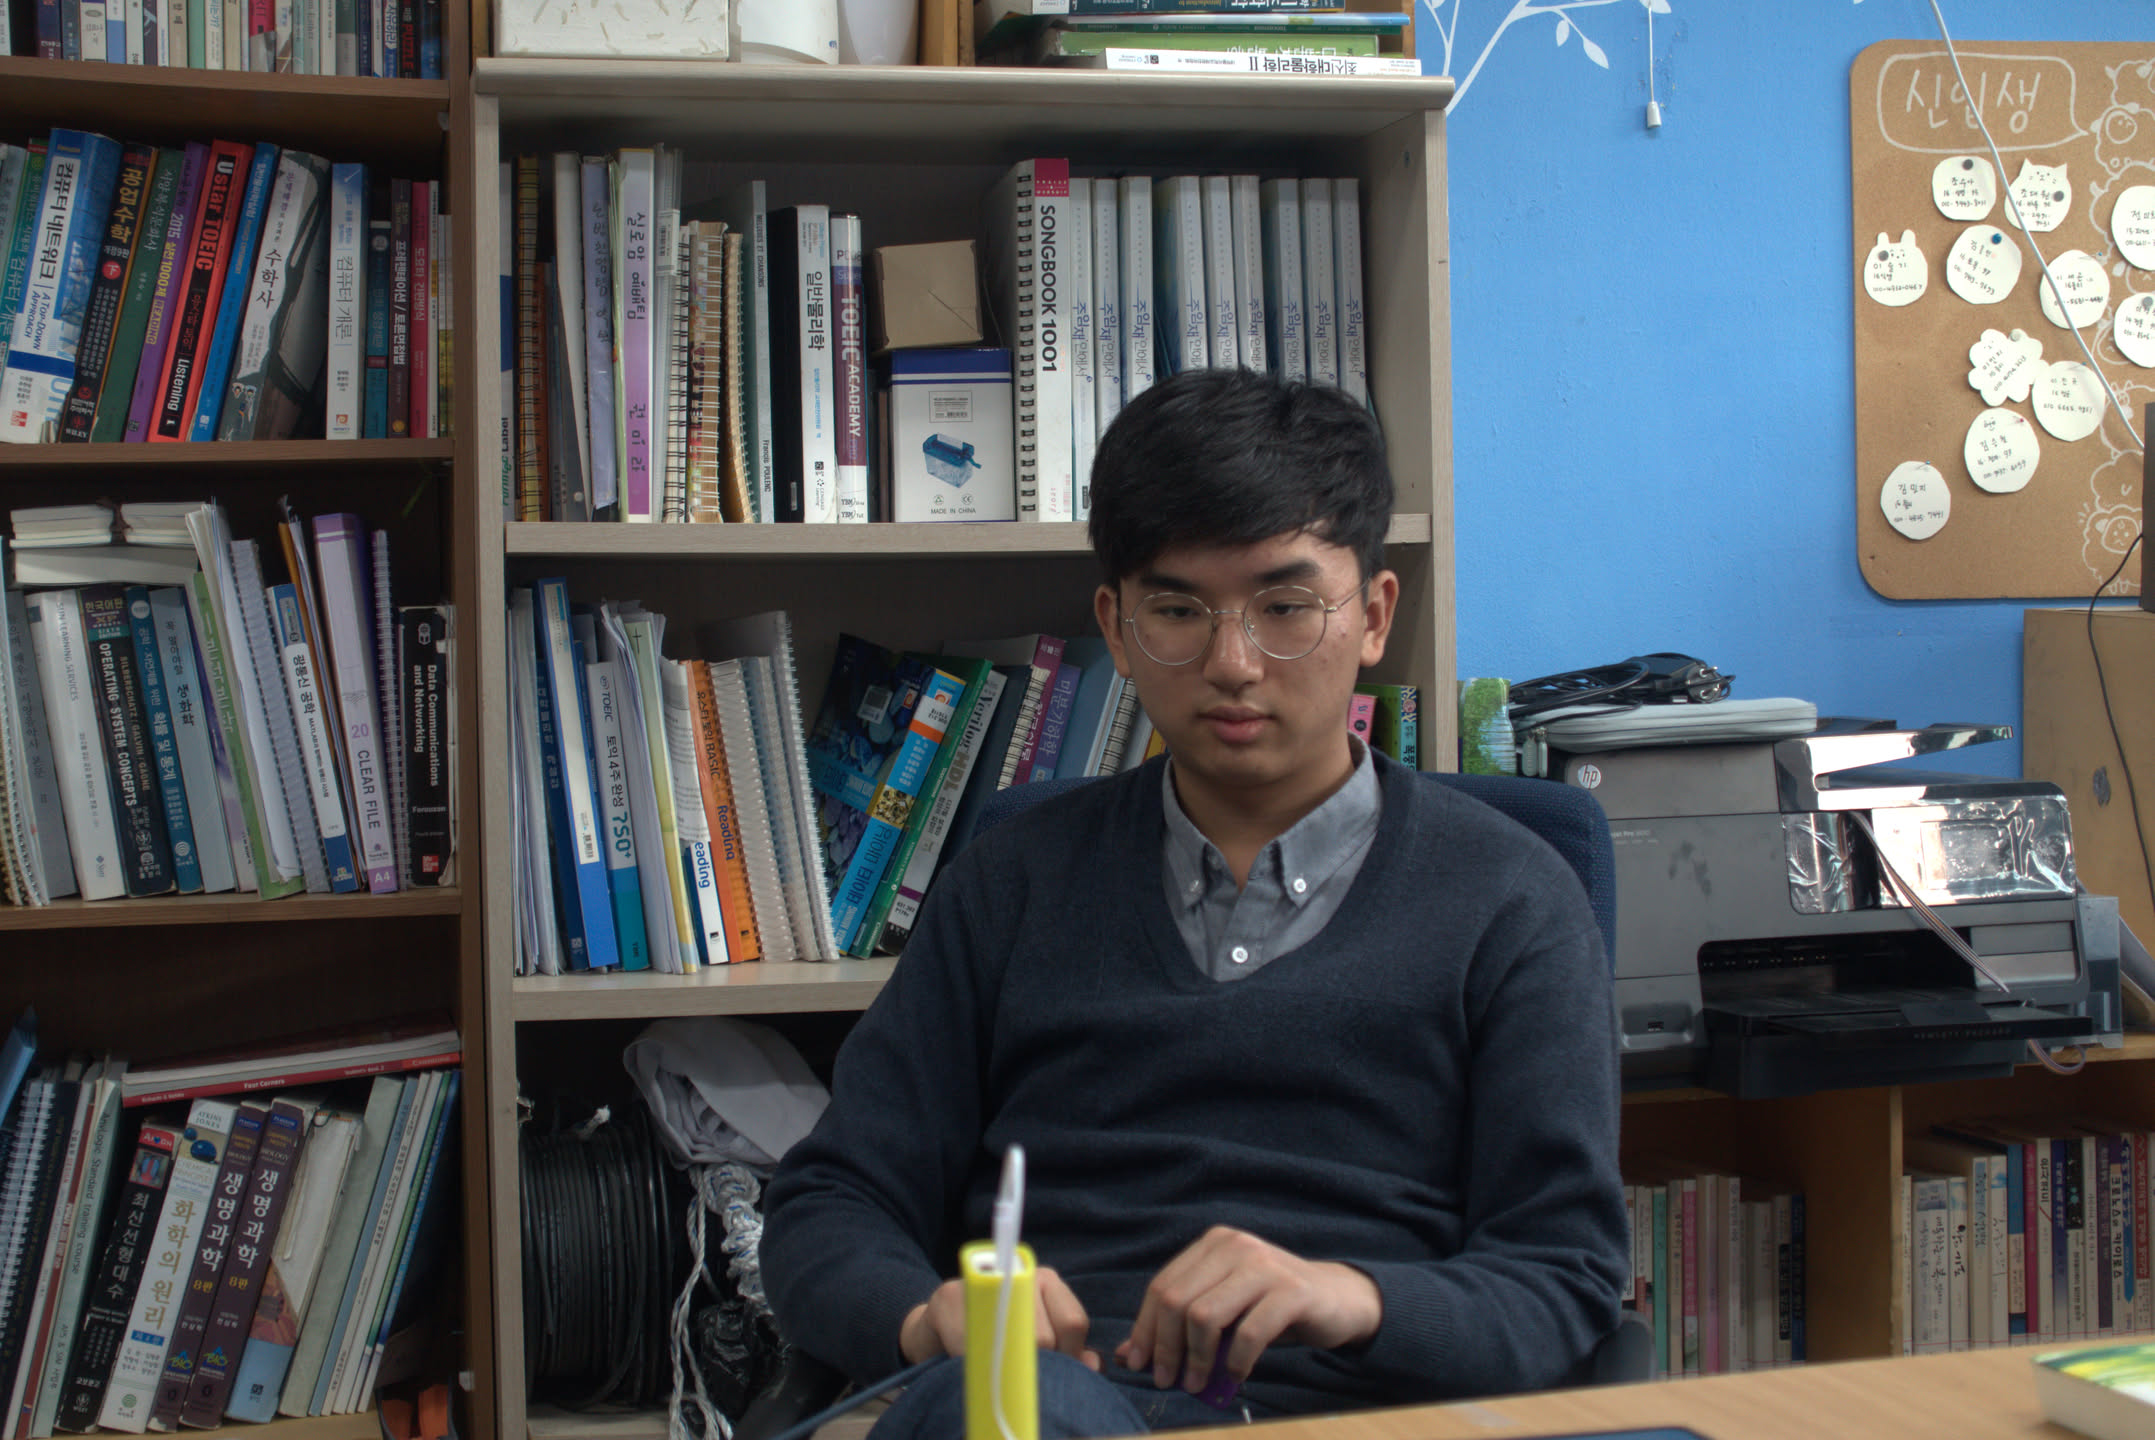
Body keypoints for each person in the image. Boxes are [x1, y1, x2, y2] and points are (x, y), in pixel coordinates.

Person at [759, 368, 1627, 1437]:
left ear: (1372, 617)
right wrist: (923, 1317)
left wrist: (1348, 1297)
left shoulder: (1511, 900)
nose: (1232, 663)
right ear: (1116, 629)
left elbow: (1563, 1276)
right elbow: (830, 1203)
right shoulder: (1010, 882)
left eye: (1284, 608)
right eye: (1177, 610)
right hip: (1040, 1408)